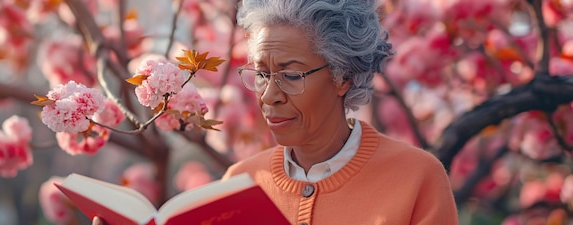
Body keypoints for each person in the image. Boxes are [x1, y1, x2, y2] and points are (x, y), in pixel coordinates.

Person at [94, 0, 459, 224]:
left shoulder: (416, 178)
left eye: (291, 75)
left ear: (342, 77)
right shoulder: (241, 181)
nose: (269, 96)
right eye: (262, 74)